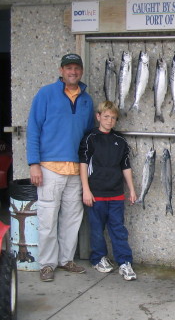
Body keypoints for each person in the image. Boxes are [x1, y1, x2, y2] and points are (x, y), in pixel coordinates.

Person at [27, 53, 94, 282]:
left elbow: (88, 136)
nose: (72, 71)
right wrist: (34, 164)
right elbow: (33, 129)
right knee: (47, 218)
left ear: (81, 71)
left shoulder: (87, 100)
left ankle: (66, 259)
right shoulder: (45, 94)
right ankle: (47, 264)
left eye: (76, 68)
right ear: (61, 71)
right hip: (49, 168)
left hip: (76, 170)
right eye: (68, 68)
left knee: (72, 219)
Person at [79, 101, 137, 281]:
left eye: (113, 118)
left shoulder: (120, 141)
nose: (109, 120)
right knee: (96, 229)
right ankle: (98, 258)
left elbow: (125, 166)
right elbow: (83, 166)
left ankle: (124, 263)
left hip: (116, 194)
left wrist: (132, 190)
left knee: (118, 229)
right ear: (98, 117)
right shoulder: (90, 138)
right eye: (106, 116)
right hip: (96, 194)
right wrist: (86, 190)